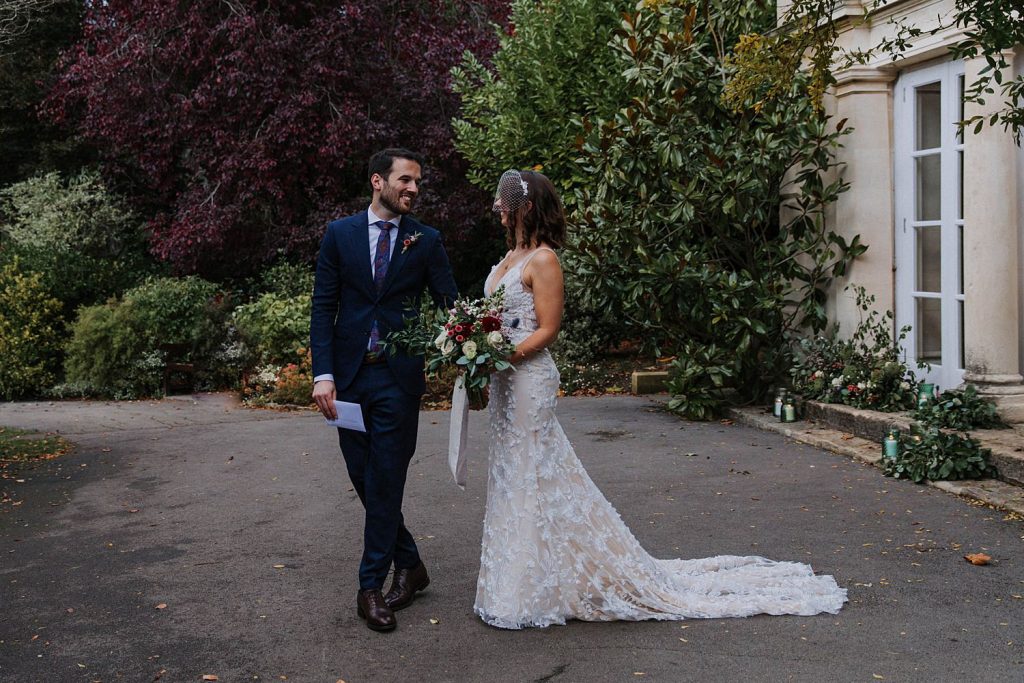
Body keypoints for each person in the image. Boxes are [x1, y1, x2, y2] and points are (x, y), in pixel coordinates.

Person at [475, 169, 847, 629]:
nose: (497, 206)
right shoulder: (509, 257)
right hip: (504, 382)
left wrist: (503, 357)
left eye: (504, 199)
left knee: (531, 470)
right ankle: (524, 580)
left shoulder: (544, 260)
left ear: (525, 206)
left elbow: (548, 329)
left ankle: (529, 591)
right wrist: (477, 350)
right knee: (512, 472)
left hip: (528, 378)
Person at [310, 148, 458, 632]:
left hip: (398, 379)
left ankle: (369, 587)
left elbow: (449, 306)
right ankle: (411, 564)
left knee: (386, 479)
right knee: (364, 478)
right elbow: (323, 308)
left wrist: (471, 348)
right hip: (349, 379)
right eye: (406, 180)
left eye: (418, 182)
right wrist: (323, 374)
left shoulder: (426, 240)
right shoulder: (340, 235)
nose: (414, 189)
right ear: (379, 181)